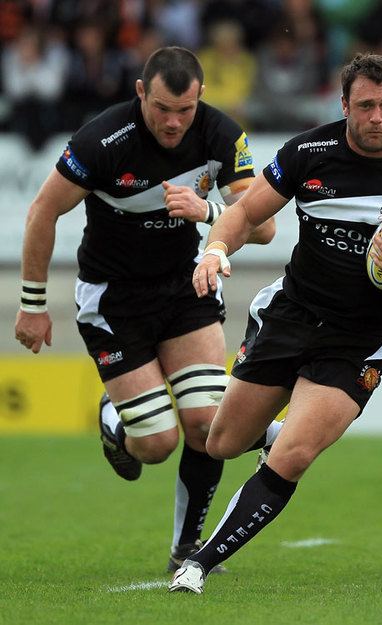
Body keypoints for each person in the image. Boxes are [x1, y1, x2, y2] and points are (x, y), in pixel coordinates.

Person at [167, 52, 382, 594]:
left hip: (361, 339)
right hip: (293, 315)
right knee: (222, 443)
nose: (376, 117)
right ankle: (269, 429)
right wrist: (212, 250)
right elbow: (246, 214)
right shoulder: (308, 152)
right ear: (344, 103)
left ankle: (198, 564)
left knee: (295, 456)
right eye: (366, 105)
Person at [14, 46, 280, 573]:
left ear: (200, 97)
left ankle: (187, 548)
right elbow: (43, 210)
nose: (174, 122)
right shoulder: (101, 141)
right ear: (141, 93)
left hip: (185, 289)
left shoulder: (223, 134)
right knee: (156, 444)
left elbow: (265, 225)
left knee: (209, 427)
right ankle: (116, 421)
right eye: (162, 109)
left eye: (185, 110)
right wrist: (32, 304)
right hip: (114, 299)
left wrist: (208, 211)